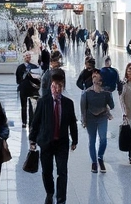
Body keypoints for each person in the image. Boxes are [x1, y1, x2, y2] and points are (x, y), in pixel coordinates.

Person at [29, 70, 77, 204]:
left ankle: (61, 199)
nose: (57, 89)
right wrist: (32, 139)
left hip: (62, 143)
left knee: (62, 172)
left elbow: (72, 122)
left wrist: (75, 139)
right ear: (50, 86)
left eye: (59, 86)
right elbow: (36, 121)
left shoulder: (68, 103)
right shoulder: (43, 102)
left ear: (63, 87)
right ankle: (50, 192)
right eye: (54, 86)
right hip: (46, 142)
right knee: (47, 171)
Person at [80, 69, 114, 173]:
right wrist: (84, 120)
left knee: (103, 139)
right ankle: (94, 162)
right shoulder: (86, 93)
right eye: (93, 76)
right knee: (92, 140)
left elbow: (112, 106)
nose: (95, 76)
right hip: (91, 118)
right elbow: (83, 108)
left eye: (97, 75)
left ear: (101, 79)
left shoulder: (106, 92)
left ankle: (100, 157)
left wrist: (109, 95)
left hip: (102, 116)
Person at [15, 52, 40, 128]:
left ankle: (32, 121)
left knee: (32, 106)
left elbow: (38, 79)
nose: (27, 57)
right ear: (23, 57)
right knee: (24, 106)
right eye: (26, 56)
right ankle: (24, 122)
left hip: (33, 89)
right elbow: (18, 80)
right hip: (23, 89)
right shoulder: (20, 67)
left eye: (29, 56)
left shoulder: (34, 67)